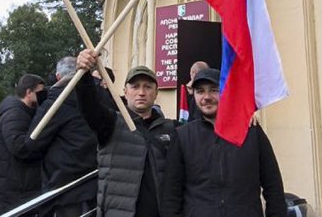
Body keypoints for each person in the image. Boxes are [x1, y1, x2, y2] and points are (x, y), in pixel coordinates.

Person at [160, 68, 286, 217]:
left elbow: (273, 185)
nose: (206, 97)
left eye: (214, 90)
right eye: (200, 91)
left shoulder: (251, 131)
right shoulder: (183, 136)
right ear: (193, 95)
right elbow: (171, 194)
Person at [76, 49, 179, 217]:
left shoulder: (171, 129)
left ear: (156, 93)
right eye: (135, 86)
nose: (141, 92)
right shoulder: (110, 122)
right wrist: (84, 73)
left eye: (147, 87)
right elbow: (88, 105)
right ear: (125, 91)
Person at [28, 56, 98, 217]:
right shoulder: (98, 96)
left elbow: (32, 143)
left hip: (64, 187)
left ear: (58, 77)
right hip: (93, 186)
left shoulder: (56, 102)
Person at [0, 74, 45, 214]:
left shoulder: (22, 113)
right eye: (40, 92)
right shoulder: (15, 114)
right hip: (13, 190)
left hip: (14, 188)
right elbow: (19, 147)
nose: (43, 96)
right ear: (29, 92)